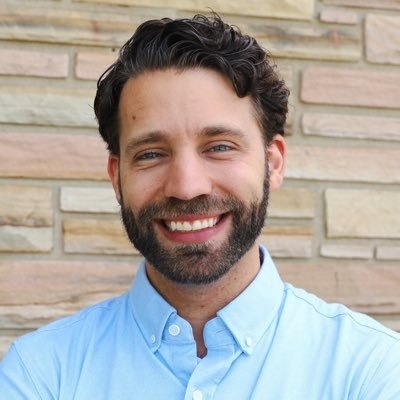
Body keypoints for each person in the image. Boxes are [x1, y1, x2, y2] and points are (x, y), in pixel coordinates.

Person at [0, 13, 399, 400]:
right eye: (151, 154)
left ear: (273, 163)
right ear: (117, 178)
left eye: (219, 147)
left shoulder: (372, 370)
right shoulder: (41, 374)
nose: (187, 188)